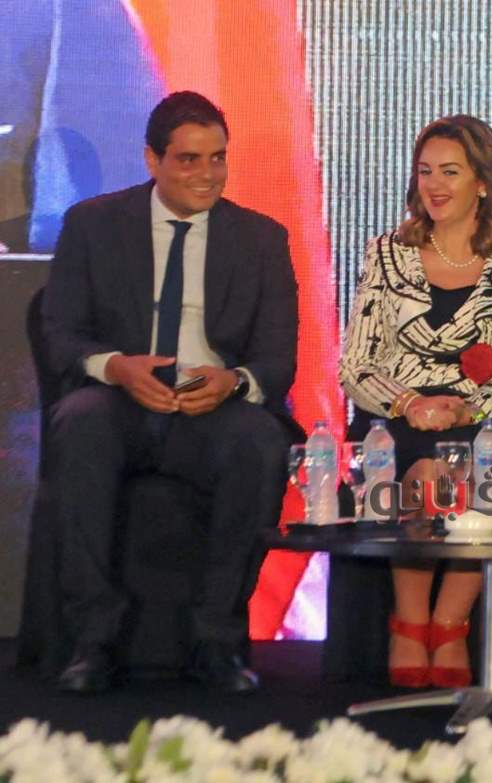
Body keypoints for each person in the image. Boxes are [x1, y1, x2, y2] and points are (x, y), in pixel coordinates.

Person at [40, 91, 298, 694]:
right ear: (152, 159)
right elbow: (60, 332)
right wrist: (116, 367)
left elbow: (277, 360)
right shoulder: (93, 224)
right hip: (120, 399)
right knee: (80, 423)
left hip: (212, 405)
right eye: (188, 159)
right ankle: (93, 641)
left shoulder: (261, 238)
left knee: (259, 443)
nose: (207, 174)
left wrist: (234, 381)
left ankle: (217, 640)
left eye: (218, 158)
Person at [339, 114, 492, 688]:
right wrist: (409, 403)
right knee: (424, 464)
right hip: (398, 414)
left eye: (450, 172)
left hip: (487, 413)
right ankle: (410, 621)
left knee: (469, 461)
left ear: (482, 181)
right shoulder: (386, 253)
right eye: (425, 170)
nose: (434, 184)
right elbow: (355, 365)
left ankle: (449, 622)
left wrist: (467, 408)